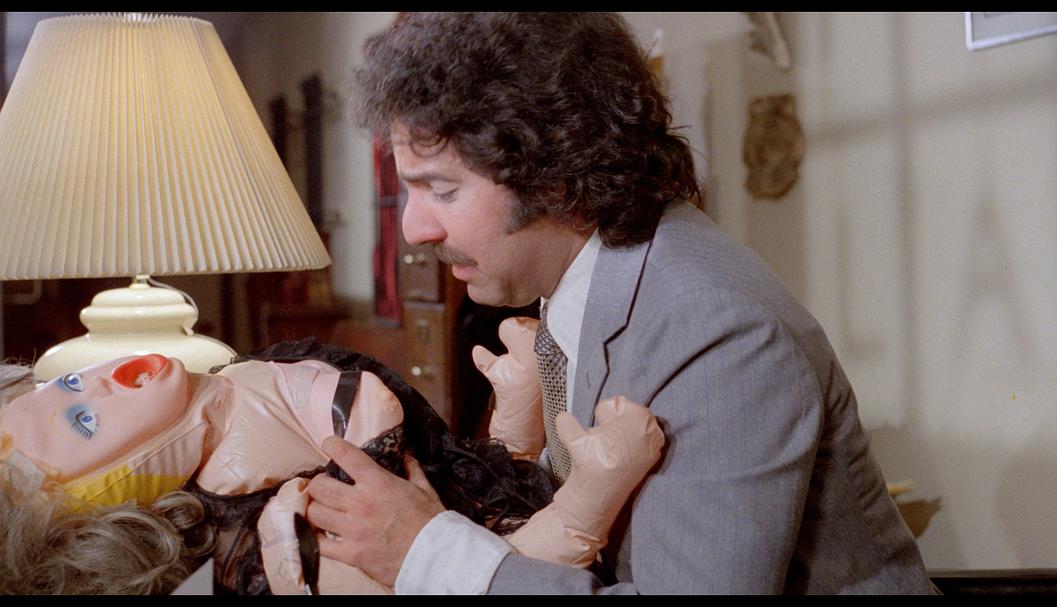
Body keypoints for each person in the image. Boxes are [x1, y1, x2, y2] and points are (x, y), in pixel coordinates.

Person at [303, 12, 939, 594]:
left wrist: (429, 554)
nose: (414, 229)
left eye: (441, 190)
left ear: (554, 171)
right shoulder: (586, 280)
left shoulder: (716, 329)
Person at [0, 333, 661, 594]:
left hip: (428, 481)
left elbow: (448, 470)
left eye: (68, 384)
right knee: (482, 554)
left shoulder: (235, 381)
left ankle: (516, 425)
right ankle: (586, 501)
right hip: (455, 553)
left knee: (466, 478)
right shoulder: (267, 540)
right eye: (84, 421)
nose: (101, 381)